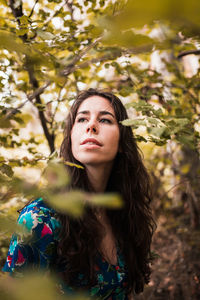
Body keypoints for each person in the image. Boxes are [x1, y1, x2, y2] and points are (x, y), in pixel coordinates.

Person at [3, 88, 155, 299]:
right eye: (82, 119)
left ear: (121, 142)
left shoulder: (125, 214)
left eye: (105, 120)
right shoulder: (41, 219)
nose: (91, 126)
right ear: (72, 136)